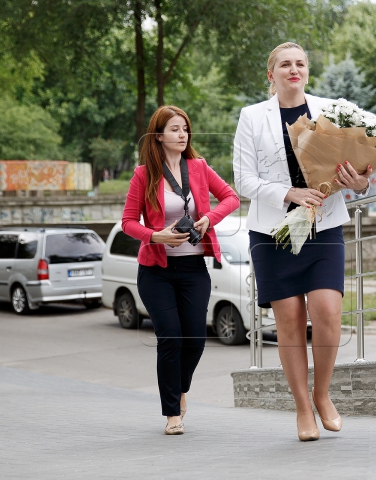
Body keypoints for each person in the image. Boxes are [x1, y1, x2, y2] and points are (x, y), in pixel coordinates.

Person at [233, 42, 372, 441]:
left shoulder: (332, 109)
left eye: (300, 64)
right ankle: (301, 409)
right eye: (284, 65)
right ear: (270, 73)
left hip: (324, 226)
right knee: (290, 321)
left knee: (328, 313)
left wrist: (359, 182)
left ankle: (322, 394)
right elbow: (243, 180)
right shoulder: (252, 117)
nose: (293, 70)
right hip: (273, 232)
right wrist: (289, 193)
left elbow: (361, 172)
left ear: (307, 71)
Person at [121, 106, 239, 435]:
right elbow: (128, 222)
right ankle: (172, 413)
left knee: (196, 341)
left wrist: (208, 219)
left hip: (193, 267)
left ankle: (180, 389)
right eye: (174, 129)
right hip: (156, 270)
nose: (182, 134)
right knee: (170, 338)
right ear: (158, 135)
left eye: (185, 128)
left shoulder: (198, 167)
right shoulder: (143, 174)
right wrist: (155, 235)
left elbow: (230, 198)